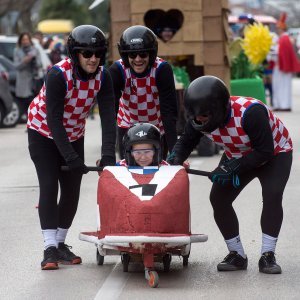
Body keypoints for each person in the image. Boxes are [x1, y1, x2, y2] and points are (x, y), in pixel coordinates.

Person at [168, 75, 293, 274]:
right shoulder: (198, 116)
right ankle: (237, 255)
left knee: (272, 195)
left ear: (218, 110)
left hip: (275, 152)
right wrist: (172, 162)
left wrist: (231, 168)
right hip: (238, 152)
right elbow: (185, 143)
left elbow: (264, 151)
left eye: (203, 117)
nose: (198, 121)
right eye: (194, 116)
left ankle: (268, 255)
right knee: (218, 198)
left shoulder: (251, 113)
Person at [27, 25, 116, 270]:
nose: (93, 58)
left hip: (74, 132)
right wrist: (69, 156)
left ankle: (60, 244)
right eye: (86, 53)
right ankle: (49, 248)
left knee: (72, 189)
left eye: (98, 53)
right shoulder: (58, 75)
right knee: (49, 184)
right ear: (74, 54)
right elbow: (53, 119)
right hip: (43, 131)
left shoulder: (103, 76)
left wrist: (108, 154)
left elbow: (109, 117)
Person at [109, 25, 178, 160]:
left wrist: (175, 153)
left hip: (158, 126)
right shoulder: (117, 70)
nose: (138, 59)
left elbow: (169, 114)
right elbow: (110, 113)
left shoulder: (162, 69)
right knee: (128, 172)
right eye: (133, 55)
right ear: (125, 55)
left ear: (151, 54)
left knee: (158, 171)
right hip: (127, 125)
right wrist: (107, 154)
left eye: (143, 54)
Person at [272, 12, 300, 111]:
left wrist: (285, 66)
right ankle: (281, 104)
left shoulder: (284, 39)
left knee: (283, 86)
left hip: (282, 68)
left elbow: (284, 55)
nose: (277, 30)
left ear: (281, 29)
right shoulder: (283, 38)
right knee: (280, 86)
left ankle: (284, 105)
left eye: (278, 28)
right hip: (280, 67)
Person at [13, 32, 43, 118]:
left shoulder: (35, 50)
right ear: (20, 41)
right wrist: (25, 60)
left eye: (27, 39)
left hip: (33, 81)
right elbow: (16, 66)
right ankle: (28, 121)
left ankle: (33, 122)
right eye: (23, 39)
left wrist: (34, 60)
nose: (25, 41)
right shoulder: (17, 50)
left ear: (30, 40)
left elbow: (40, 64)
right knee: (25, 103)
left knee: (34, 103)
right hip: (22, 82)